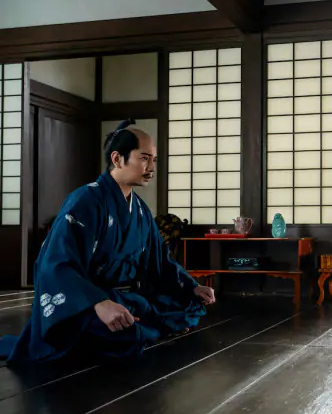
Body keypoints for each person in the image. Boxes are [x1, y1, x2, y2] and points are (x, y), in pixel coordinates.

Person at [0, 119, 216, 363]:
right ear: (117, 158)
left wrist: (191, 286)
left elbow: (159, 262)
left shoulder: (141, 211)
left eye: (154, 160)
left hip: (124, 299)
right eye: (144, 158)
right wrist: (98, 302)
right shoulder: (85, 201)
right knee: (128, 336)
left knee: (189, 305)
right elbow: (56, 265)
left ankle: (141, 324)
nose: (151, 167)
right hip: (84, 303)